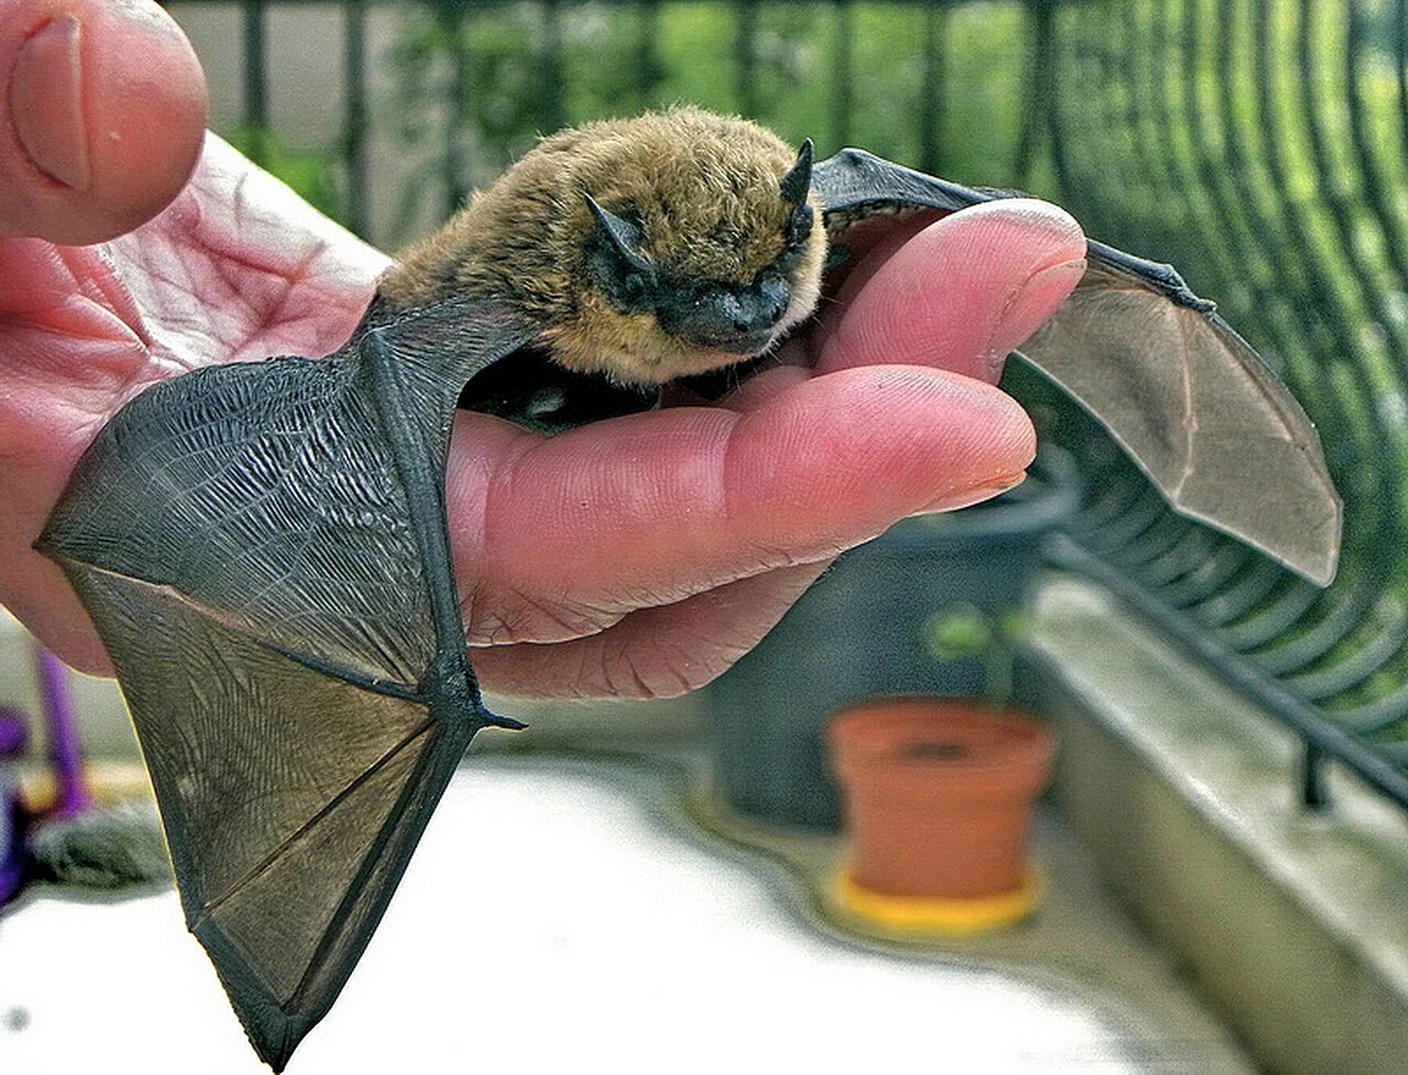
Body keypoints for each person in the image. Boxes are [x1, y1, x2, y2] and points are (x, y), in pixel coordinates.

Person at [0, 0, 1087, 699]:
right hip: (501, 348)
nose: (742, 317)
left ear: (802, 224)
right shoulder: (519, 286)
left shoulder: (805, 212)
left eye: (765, 282)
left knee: (997, 262)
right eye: (688, 300)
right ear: (606, 270)